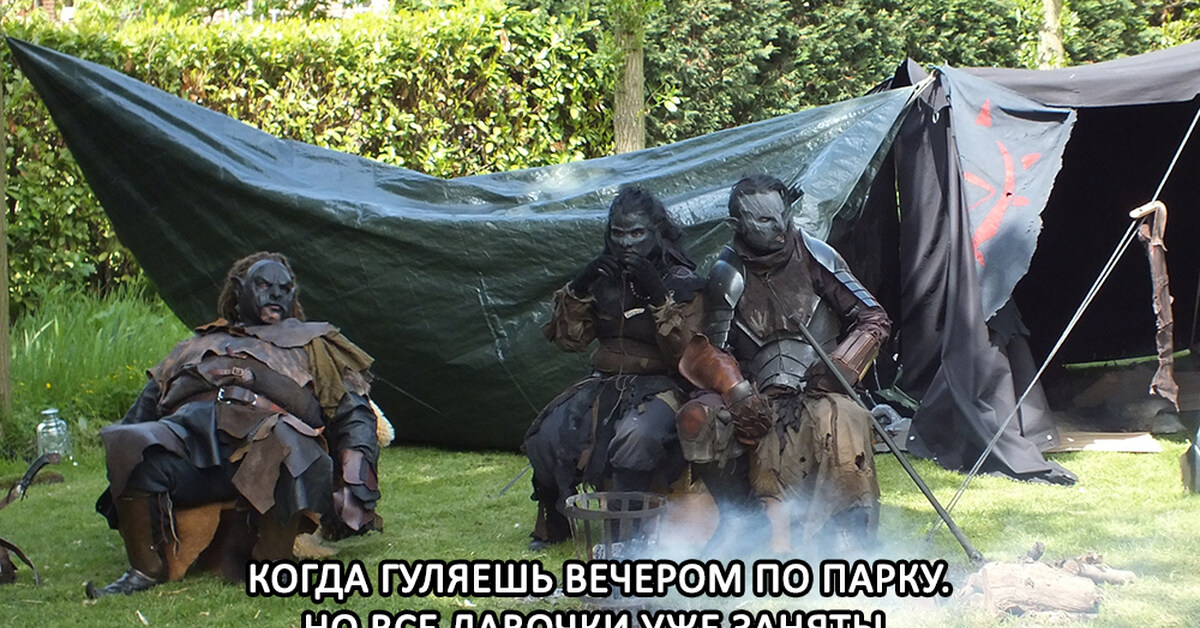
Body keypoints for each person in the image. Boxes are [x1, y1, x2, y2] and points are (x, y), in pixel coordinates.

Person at [87, 252, 382, 598]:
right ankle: (145, 569)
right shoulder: (197, 344)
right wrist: (123, 454)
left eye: (284, 288)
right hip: (189, 450)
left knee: (284, 435)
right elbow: (141, 414)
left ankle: (272, 563)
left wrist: (355, 488)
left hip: (266, 454)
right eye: (263, 285)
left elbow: (353, 412)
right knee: (126, 440)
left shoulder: (314, 343)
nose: (275, 294)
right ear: (239, 289)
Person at [676, 174, 891, 557]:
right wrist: (737, 391)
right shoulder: (728, 274)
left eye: (781, 216)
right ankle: (742, 522)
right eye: (763, 219)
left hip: (821, 388)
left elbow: (873, 318)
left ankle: (851, 534)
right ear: (737, 224)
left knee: (845, 421)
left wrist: (841, 366)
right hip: (758, 392)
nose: (777, 226)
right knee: (698, 419)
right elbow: (713, 350)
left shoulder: (816, 255)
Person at [523, 187, 705, 550]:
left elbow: (686, 354)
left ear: (656, 231)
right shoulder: (604, 278)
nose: (626, 243)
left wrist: (658, 297)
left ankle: (625, 534)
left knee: (637, 436)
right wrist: (580, 286)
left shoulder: (682, 280)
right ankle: (555, 522)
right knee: (547, 436)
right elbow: (569, 340)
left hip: (662, 385)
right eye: (618, 233)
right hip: (603, 382)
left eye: (636, 233)